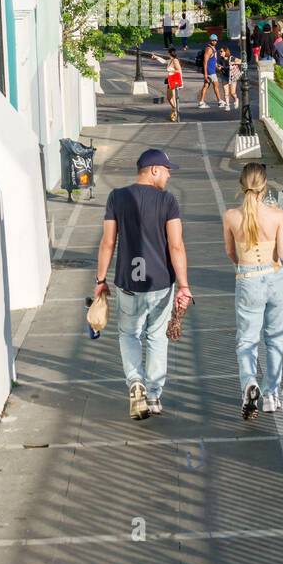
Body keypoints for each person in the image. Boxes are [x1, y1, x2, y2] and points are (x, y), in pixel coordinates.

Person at [95, 149, 192, 419]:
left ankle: (135, 381)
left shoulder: (117, 197)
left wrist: (100, 280)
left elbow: (108, 242)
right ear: (153, 170)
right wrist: (183, 285)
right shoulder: (168, 201)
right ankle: (154, 395)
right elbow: (176, 245)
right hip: (160, 284)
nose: (169, 174)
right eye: (166, 169)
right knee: (156, 337)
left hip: (128, 282)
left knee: (129, 334)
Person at [222, 162, 283, 418]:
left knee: (247, 340)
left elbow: (231, 253)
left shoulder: (231, 216)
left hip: (248, 278)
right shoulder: (276, 215)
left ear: (242, 187)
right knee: (275, 339)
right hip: (275, 278)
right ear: (265, 187)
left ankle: (249, 384)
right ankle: (272, 395)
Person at [150, 47, 183, 121]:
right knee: (168, 97)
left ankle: (175, 112)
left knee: (173, 97)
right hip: (170, 80)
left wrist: (171, 71)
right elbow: (164, 61)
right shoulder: (171, 60)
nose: (167, 53)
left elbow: (179, 70)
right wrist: (156, 57)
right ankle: (174, 108)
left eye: (167, 52)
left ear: (169, 53)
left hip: (174, 80)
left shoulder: (175, 60)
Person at [198, 34, 226, 109]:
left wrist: (218, 66)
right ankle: (219, 101)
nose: (214, 41)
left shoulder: (213, 48)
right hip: (210, 71)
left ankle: (201, 102)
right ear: (210, 40)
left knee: (206, 86)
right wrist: (206, 74)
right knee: (216, 86)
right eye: (213, 40)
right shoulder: (209, 49)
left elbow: (213, 60)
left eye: (215, 40)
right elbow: (205, 62)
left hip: (211, 70)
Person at [218, 45, 233, 110]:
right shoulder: (220, 60)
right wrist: (218, 68)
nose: (220, 53)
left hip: (231, 76)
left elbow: (240, 61)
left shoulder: (231, 58)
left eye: (221, 51)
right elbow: (219, 67)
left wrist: (234, 64)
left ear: (225, 52)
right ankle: (227, 105)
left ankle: (236, 99)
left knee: (232, 92)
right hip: (224, 76)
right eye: (220, 51)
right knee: (225, 91)